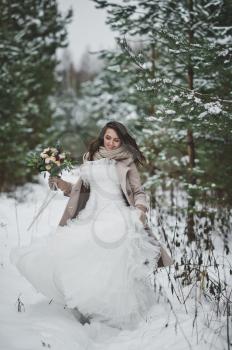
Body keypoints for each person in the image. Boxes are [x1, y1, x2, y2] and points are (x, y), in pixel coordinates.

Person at [11, 121, 173, 330]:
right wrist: (62, 184)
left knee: (113, 267)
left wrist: (141, 210)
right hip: (90, 216)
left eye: (116, 139)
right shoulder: (90, 158)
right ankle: (88, 311)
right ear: (102, 137)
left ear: (122, 141)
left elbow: (138, 191)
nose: (112, 143)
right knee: (76, 255)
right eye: (108, 138)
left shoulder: (127, 161)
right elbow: (81, 190)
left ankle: (116, 318)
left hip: (117, 216)